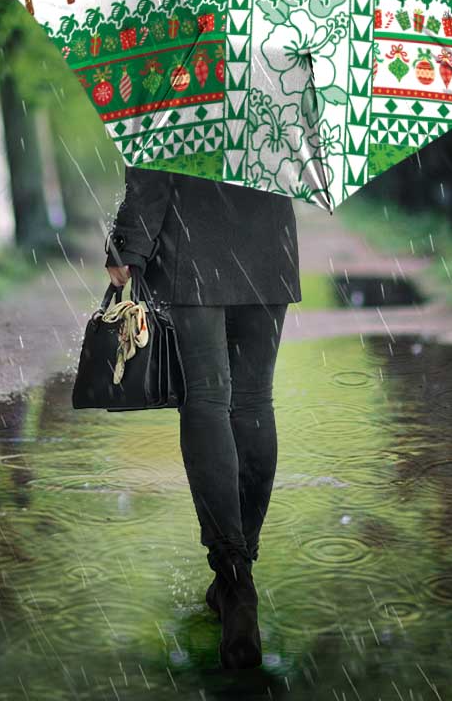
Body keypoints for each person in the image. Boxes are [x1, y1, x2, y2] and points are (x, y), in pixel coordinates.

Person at [104, 163, 301, 669]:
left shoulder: (181, 78)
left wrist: (128, 243)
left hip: (193, 242)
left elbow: (156, 152)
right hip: (268, 240)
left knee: (207, 399)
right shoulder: (285, 82)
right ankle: (240, 573)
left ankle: (233, 574)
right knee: (255, 400)